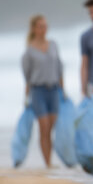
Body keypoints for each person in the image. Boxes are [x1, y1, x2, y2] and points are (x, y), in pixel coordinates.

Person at [21, 14, 64, 168]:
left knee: (51, 128)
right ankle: (48, 163)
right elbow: (27, 76)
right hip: (38, 91)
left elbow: (59, 67)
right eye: (40, 26)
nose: (44, 29)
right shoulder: (29, 51)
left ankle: (49, 159)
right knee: (44, 127)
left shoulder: (53, 44)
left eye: (45, 26)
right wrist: (26, 97)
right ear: (34, 29)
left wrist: (63, 90)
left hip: (54, 90)